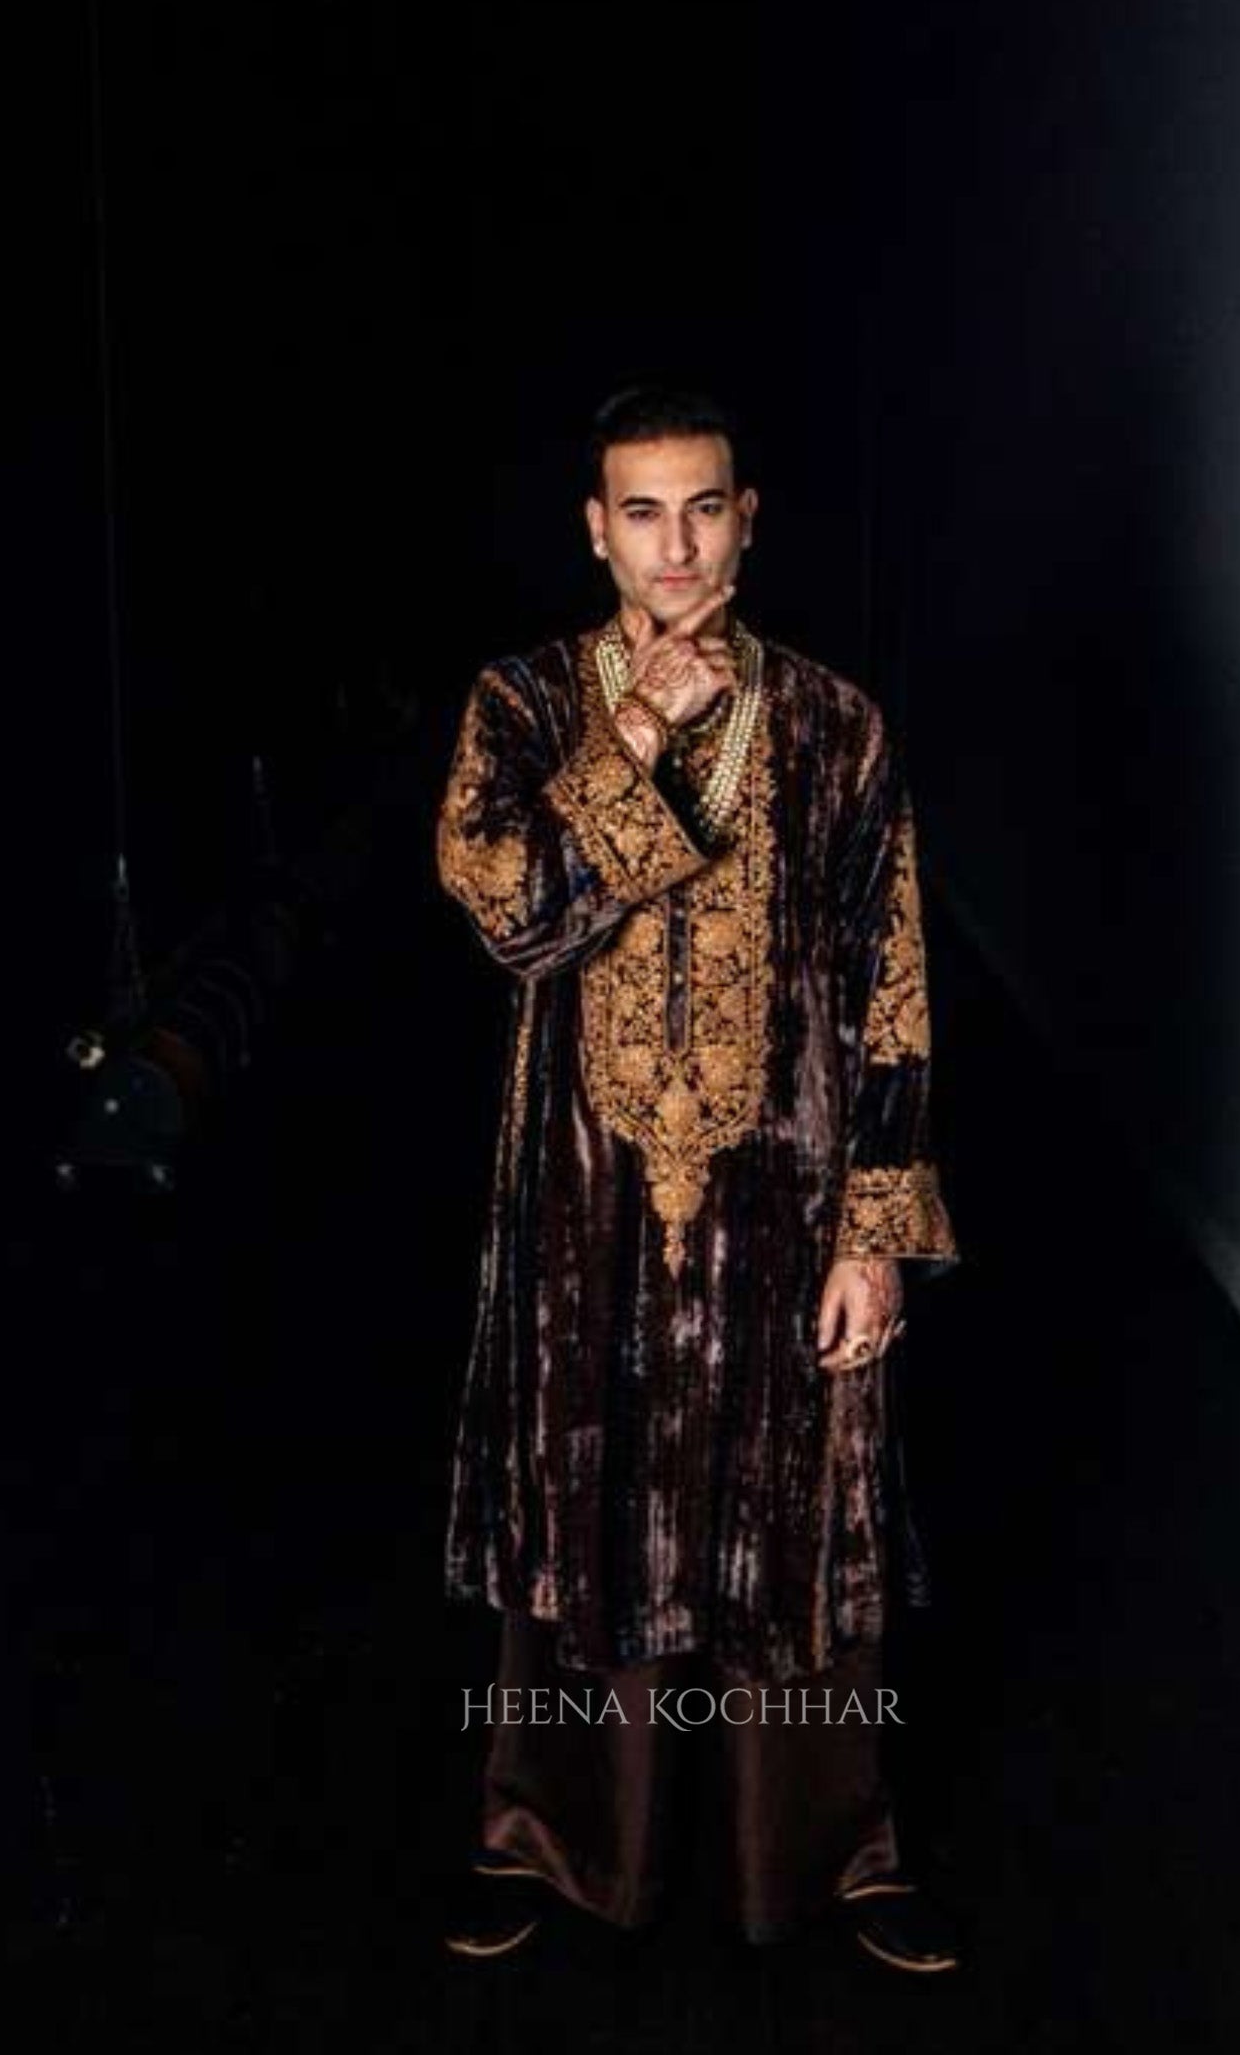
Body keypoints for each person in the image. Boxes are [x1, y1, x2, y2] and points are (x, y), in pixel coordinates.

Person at [434, 384, 961, 1972]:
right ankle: (544, 1839)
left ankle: (835, 1854)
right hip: (579, 1199)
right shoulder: (525, 707)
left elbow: (893, 990)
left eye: (704, 509)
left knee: (795, 1513)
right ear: (597, 531)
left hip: (785, 1199)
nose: (676, 547)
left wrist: (876, 1231)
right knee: (581, 1507)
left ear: (747, 522)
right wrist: (642, 736)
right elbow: (512, 915)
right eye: (644, 514)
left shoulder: (836, 725)